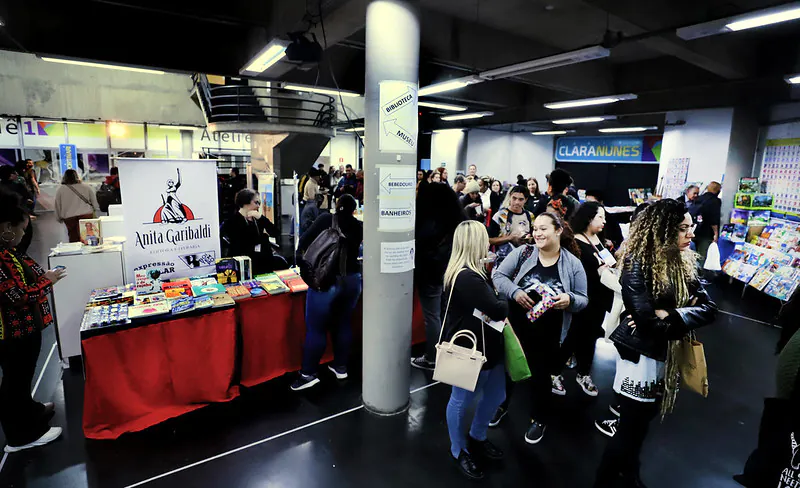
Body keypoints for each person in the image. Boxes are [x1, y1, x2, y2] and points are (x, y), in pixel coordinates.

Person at [594, 199, 717, 488]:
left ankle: (628, 472)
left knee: (642, 421)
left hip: (663, 353)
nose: (690, 234)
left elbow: (710, 309)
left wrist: (673, 313)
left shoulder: (684, 261)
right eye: (683, 228)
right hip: (640, 355)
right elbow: (648, 324)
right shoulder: (639, 263)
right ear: (664, 230)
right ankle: (606, 480)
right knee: (630, 425)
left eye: (691, 227)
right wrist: (678, 317)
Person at [490, 212, 588, 444]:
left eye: (544, 228)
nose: (538, 233)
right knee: (508, 370)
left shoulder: (573, 264)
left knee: (542, 377)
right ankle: (501, 405)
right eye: (535, 229)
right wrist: (515, 292)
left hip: (550, 333)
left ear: (558, 230)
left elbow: (584, 299)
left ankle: (539, 419)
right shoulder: (523, 253)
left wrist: (569, 299)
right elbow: (499, 276)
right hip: (516, 327)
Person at [0, 188, 66, 452]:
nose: (22, 235)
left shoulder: (8, 251)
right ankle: (21, 436)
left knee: (23, 375)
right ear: (6, 227)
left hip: (24, 327)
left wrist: (42, 277)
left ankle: (30, 410)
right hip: (12, 330)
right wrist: (46, 282)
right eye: (21, 229)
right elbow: (15, 296)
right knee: (15, 379)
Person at [442, 221, 508, 480]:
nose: (489, 243)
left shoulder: (472, 272)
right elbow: (498, 309)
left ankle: (477, 436)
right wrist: (503, 293)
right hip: (470, 349)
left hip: (487, 346)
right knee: (460, 401)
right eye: (485, 238)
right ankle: (459, 449)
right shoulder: (467, 276)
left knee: (496, 394)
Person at [292, 194, 363, 391]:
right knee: (343, 324)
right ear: (353, 209)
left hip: (326, 281)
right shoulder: (359, 226)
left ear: (337, 205)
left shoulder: (325, 220)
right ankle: (340, 367)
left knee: (316, 328)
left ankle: (308, 374)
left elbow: (304, 240)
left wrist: (301, 261)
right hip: (353, 281)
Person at [559, 202, 615, 397]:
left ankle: (583, 373)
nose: (604, 221)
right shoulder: (574, 242)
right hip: (583, 297)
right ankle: (555, 371)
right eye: (600, 217)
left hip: (600, 299)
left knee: (590, 337)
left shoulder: (599, 239)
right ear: (589, 218)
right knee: (573, 335)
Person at [411, 183, 466, 371]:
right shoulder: (455, 218)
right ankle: (445, 351)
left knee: (432, 316)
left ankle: (432, 357)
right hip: (449, 271)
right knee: (443, 314)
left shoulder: (426, 220)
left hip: (429, 273)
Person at [221, 189, 282, 275]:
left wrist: (261, 218)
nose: (258, 206)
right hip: (245, 266)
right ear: (246, 202)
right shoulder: (232, 221)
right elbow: (242, 243)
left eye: (259, 203)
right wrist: (263, 237)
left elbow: (275, 232)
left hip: (263, 263)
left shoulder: (257, 218)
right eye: (256, 202)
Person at [488, 186, 534, 266]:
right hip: (503, 261)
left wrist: (528, 239)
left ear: (525, 200)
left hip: (525, 260)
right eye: (514, 198)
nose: (516, 202)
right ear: (510, 197)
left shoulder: (530, 216)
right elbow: (489, 240)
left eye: (520, 199)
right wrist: (509, 238)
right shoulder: (500, 216)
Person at [54, 169, 99, 243]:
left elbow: (57, 205)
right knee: (87, 236)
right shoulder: (86, 187)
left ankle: (76, 252)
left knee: (73, 237)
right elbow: (94, 202)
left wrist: (58, 218)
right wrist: (94, 209)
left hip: (69, 217)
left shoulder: (60, 190)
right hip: (86, 215)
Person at [689, 181, 721, 264]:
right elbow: (714, 218)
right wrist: (716, 234)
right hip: (706, 233)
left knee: (691, 255)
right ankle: (699, 275)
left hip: (694, 230)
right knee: (702, 257)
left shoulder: (699, 198)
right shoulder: (715, 201)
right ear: (718, 190)